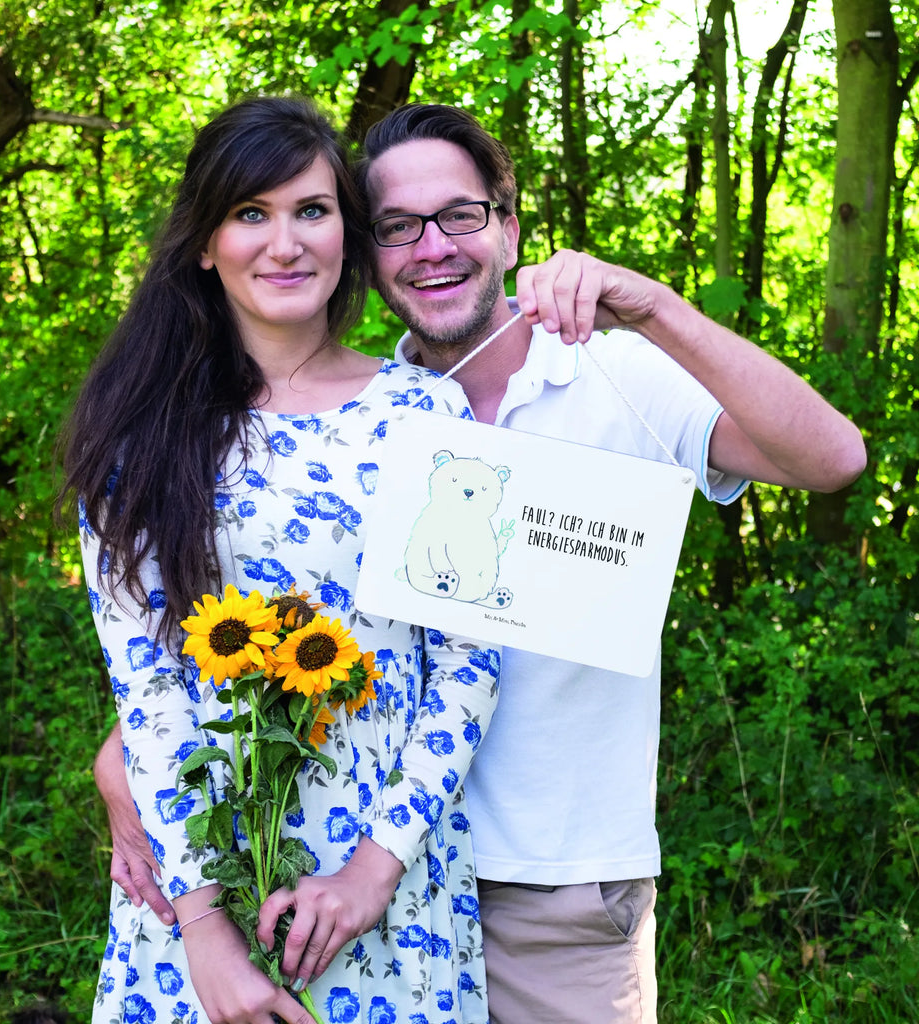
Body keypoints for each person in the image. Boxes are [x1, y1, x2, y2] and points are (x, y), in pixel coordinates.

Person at [97, 102, 867, 1024]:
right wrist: (131, 771)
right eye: (397, 227)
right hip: (315, 876)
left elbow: (833, 461)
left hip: (548, 888)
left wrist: (655, 306)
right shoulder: (353, 418)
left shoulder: (607, 374)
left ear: (507, 225)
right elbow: (220, 635)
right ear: (369, 251)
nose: (431, 247)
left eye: (460, 215)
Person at [60, 97, 504, 1024]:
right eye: (250, 214)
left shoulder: (428, 415)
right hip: (198, 887)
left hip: (387, 888)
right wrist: (207, 937)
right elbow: (147, 693)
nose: (285, 242)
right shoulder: (138, 438)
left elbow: (469, 662)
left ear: (347, 229)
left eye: (311, 210)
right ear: (204, 244)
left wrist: (373, 872)